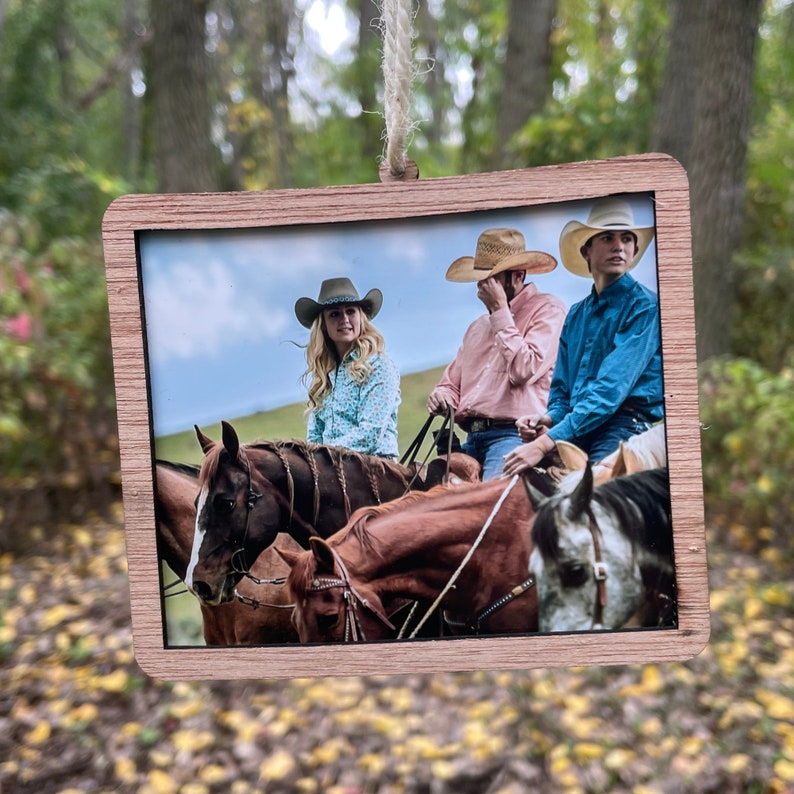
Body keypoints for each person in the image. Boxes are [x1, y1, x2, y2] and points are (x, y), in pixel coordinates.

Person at [503, 197, 664, 477]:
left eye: (626, 238)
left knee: (592, 503)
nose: (619, 246)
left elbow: (608, 393)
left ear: (635, 250)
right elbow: (562, 391)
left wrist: (542, 444)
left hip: (624, 428)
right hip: (578, 428)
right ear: (586, 250)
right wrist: (548, 417)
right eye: (607, 237)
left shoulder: (646, 307)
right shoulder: (576, 315)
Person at [426, 227, 566, 480]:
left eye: (491, 278)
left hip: (515, 435)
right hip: (472, 438)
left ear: (518, 275)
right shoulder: (477, 326)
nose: (482, 286)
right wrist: (442, 396)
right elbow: (450, 384)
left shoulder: (548, 310)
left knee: (492, 504)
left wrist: (500, 310)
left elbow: (525, 369)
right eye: (481, 278)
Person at [295, 277, 400, 458]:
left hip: (374, 468)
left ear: (360, 317)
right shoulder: (324, 377)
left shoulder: (379, 366)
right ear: (324, 325)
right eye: (334, 314)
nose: (344, 319)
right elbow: (314, 436)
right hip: (329, 470)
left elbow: (370, 434)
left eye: (350, 312)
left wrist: (322, 456)